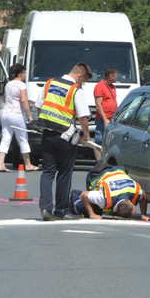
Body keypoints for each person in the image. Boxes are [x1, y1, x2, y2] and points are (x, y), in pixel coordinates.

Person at [35, 63, 92, 221]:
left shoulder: (50, 83)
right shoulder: (75, 90)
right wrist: (86, 135)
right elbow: (83, 117)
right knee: (64, 174)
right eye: (84, 81)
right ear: (79, 76)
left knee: (48, 172)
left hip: (47, 133)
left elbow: (39, 106)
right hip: (65, 138)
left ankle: (46, 209)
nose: (82, 84)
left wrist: (46, 122)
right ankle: (61, 210)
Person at [69, 162, 149, 220]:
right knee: (95, 210)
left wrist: (143, 215)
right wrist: (92, 214)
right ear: (129, 202)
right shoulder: (105, 199)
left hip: (115, 169)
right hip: (96, 174)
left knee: (100, 209)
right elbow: (84, 195)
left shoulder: (134, 192)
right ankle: (75, 196)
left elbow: (143, 195)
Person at [0, 63, 38, 172]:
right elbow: (24, 101)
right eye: (24, 73)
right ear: (21, 73)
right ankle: (28, 164)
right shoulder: (21, 85)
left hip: (5, 114)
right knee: (23, 139)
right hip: (17, 115)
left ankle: (1, 164)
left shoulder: (8, 84)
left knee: (5, 139)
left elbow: (4, 99)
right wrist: (29, 115)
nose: (25, 75)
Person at [93, 67, 118, 161]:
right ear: (111, 75)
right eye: (116, 75)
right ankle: (99, 162)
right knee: (100, 141)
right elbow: (98, 105)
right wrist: (105, 119)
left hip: (112, 119)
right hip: (103, 119)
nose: (117, 77)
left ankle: (107, 161)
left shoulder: (112, 86)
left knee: (110, 141)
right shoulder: (100, 86)